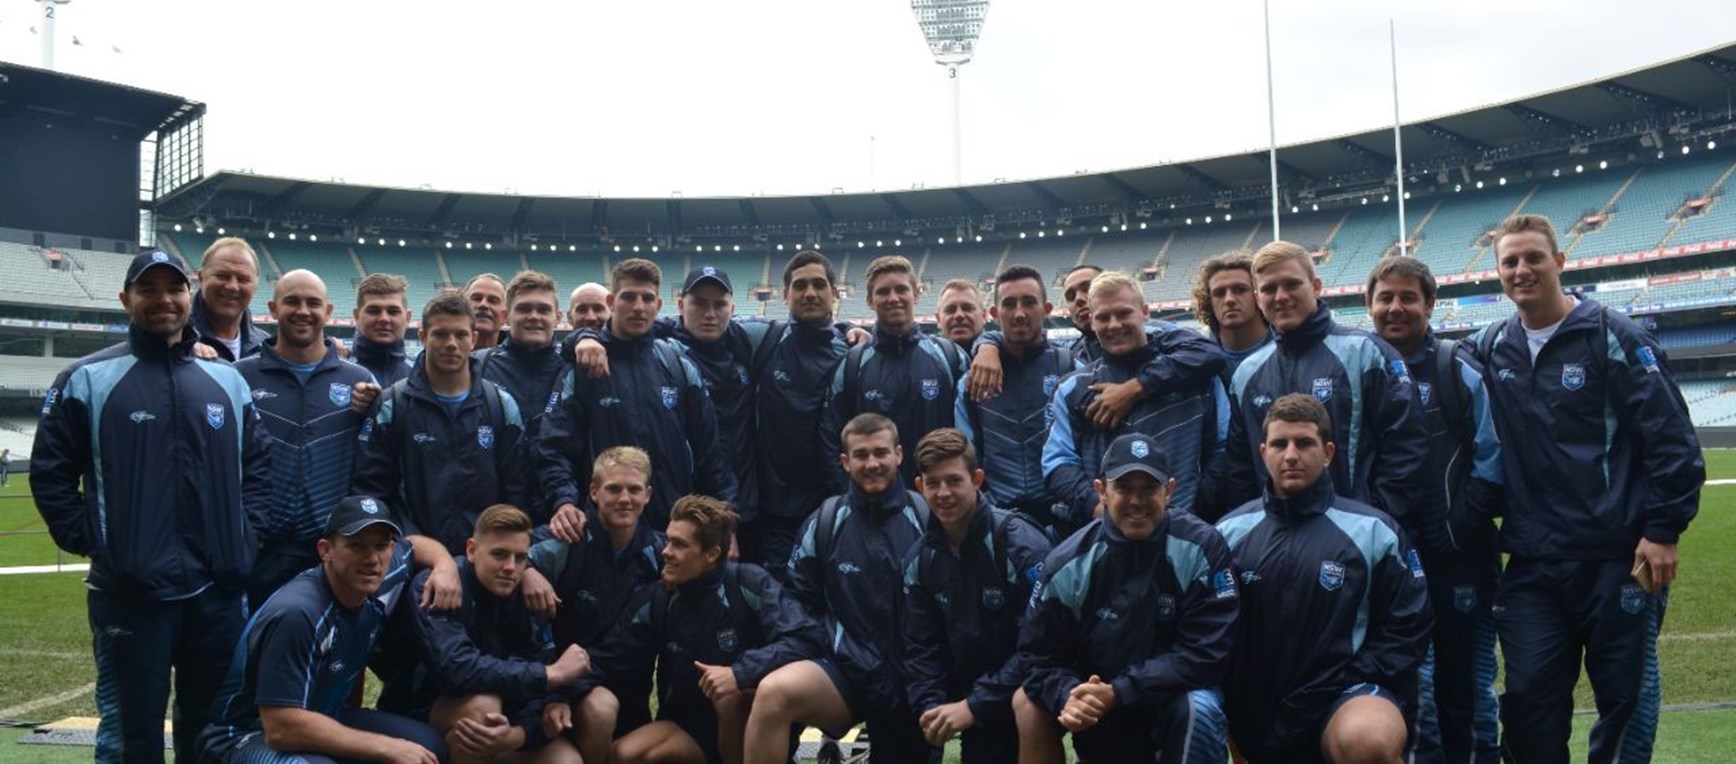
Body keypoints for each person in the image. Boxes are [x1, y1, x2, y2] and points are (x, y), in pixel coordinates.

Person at [1466, 214, 1704, 763]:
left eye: (1533, 258)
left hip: (1615, 556)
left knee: (1625, 701)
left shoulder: (1614, 334)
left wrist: (1663, 529)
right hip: (1532, 559)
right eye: (1510, 262)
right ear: (1498, 273)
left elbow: (1671, 440)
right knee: (1526, 700)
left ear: (1560, 262)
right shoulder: (1488, 345)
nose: (1522, 270)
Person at [32, 250, 271, 764]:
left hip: (218, 591)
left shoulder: (227, 380)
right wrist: (102, 542)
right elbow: (51, 476)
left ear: (191, 297)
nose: (163, 299)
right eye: (148, 289)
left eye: (174, 289)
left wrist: (244, 538)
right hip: (131, 594)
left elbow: (257, 468)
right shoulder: (87, 378)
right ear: (126, 299)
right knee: (130, 737)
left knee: (208, 734)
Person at [1216, 394, 1432, 764]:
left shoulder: (1374, 532)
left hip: (1343, 697)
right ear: (1263, 451)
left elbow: (1408, 626)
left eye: (1304, 443)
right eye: (1280, 444)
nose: (1291, 455)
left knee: (1369, 742)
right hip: (1255, 708)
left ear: (1328, 452)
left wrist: (1338, 681)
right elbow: (1207, 630)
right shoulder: (1227, 534)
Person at [1014, 432, 1236, 764]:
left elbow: (1208, 652)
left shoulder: (1203, 548)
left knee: (1199, 708)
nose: (1137, 501)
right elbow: (1036, 657)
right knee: (1028, 703)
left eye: (1149, 489)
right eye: (1124, 488)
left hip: (1170, 700)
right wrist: (1070, 695)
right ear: (1101, 491)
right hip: (1100, 708)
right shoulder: (1066, 564)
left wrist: (1120, 691)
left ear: (1170, 490)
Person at [1365, 256, 1503, 763]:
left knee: (1465, 687)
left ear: (1429, 304)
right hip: (1390, 563)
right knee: (1404, 687)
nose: (1396, 308)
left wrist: (1455, 526)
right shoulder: (1363, 369)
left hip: (1458, 557)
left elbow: (1493, 460)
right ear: (1370, 306)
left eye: (1408, 297)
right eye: (1386, 298)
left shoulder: (1456, 369)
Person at [197, 496, 450, 764]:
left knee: (429, 747)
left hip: (324, 715)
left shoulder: (377, 574)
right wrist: (386, 747)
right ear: (325, 550)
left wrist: (444, 565)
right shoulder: (298, 613)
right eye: (357, 546)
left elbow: (414, 545)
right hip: (247, 736)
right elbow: (280, 727)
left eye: (381, 545)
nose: (372, 559)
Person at [744, 414, 934, 764]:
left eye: (881, 452)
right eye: (861, 455)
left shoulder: (928, 517)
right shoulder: (825, 521)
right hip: (846, 672)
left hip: (914, 678)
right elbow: (797, 604)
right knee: (773, 692)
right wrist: (838, 646)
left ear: (899, 454)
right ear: (845, 462)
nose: (872, 463)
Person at [1208, 240, 1433, 534]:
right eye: (1269, 289)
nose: (1281, 296)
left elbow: (1407, 448)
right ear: (1258, 298)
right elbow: (1240, 471)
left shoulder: (1366, 354)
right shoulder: (1247, 374)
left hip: (1356, 539)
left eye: (1292, 284)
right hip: (1274, 545)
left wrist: (1372, 523)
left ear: (1315, 286)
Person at [584, 495, 824, 764]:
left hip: (750, 725)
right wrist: (555, 688)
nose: (665, 551)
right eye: (668, 539)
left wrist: (739, 672)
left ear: (712, 554)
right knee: (625, 754)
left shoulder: (748, 583)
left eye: (679, 544)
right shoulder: (659, 597)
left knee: (729, 697)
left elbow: (805, 637)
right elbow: (611, 656)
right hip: (689, 729)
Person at [536, 258, 736, 537]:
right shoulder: (582, 369)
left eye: (647, 298)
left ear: (658, 305)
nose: (639, 307)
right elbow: (554, 446)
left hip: (673, 529)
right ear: (611, 301)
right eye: (628, 297)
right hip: (605, 533)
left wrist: (721, 520)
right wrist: (564, 501)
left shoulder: (678, 364)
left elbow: (710, 452)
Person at [901, 429, 1051, 763]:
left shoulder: (1019, 544)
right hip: (970, 699)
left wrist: (975, 705)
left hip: (1029, 692)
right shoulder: (920, 560)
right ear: (919, 486)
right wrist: (931, 707)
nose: (943, 493)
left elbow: (1045, 645)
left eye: (954, 480)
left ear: (977, 479)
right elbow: (921, 649)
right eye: (933, 482)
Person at [402, 504, 593, 764]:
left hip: (513, 714)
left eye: (520, 558)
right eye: (499, 555)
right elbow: (458, 670)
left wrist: (520, 734)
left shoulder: (529, 592)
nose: (510, 567)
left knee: (566, 761)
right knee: (482, 710)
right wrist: (551, 675)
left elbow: (548, 679)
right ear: (471, 550)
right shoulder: (436, 585)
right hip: (431, 709)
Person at [234, 269, 379, 605]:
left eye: (313, 303)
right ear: (272, 308)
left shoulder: (360, 380)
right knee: (252, 651)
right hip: (258, 553)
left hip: (329, 554)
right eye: (292, 302)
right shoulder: (239, 376)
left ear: (328, 311)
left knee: (329, 653)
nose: (303, 311)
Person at [351, 290, 531, 557]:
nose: (451, 343)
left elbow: (517, 491)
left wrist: (499, 548)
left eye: (460, 335)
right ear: (423, 337)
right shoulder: (392, 405)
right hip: (412, 556)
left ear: (473, 339)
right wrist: (413, 546)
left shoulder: (501, 405)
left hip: (485, 559)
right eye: (440, 334)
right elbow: (373, 491)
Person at [1042, 271, 1225, 532]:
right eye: (1103, 317)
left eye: (1124, 313)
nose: (1114, 325)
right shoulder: (1072, 388)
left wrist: (1197, 505)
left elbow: (1223, 448)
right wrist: (1097, 508)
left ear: (1145, 313)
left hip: (1184, 530)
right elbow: (1058, 463)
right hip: (1106, 537)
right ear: (1092, 322)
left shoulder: (1197, 378)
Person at [522, 446, 666, 755]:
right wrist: (525, 569)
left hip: (626, 687)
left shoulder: (660, 554)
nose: (624, 499)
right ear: (594, 491)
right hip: (555, 687)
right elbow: (494, 552)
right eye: (613, 488)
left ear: (649, 494)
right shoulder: (566, 541)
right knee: (600, 708)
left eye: (634, 489)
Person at [820, 255, 966, 493]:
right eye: (883, 292)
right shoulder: (851, 365)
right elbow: (831, 439)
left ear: (916, 294)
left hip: (940, 501)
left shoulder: (949, 357)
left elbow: (972, 431)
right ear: (869, 300)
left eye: (901, 289)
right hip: (873, 504)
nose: (893, 298)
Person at [952, 266, 1076, 531]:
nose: (1019, 313)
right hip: (998, 523)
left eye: (1029, 302)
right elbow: (966, 457)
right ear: (995, 314)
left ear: (1047, 308)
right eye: (1009, 304)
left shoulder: (1071, 370)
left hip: (1065, 522)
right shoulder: (970, 384)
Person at [751, 251, 854, 569]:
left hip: (833, 507)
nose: (810, 293)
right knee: (783, 600)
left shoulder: (853, 353)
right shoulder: (764, 340)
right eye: (800, 286)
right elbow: (696, 322)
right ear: (785, 295)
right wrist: (592, 334)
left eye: (819, 284)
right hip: (774, 512)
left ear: (834, 292)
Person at [476, 270, 570, 435]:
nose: (534, 316)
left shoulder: (572, 366)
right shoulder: (479, 365)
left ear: (557, 317)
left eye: (543, 310)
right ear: (506, 316)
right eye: (524, 309)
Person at [1191, 251, 1273, 379]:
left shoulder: (1289, 351)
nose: (1229, 299)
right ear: (1208, 301)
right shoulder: (1198, 360)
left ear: (1258, 295)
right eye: (1219, 293)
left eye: (1240, 290)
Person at [190, 237, 268, 361]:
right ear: (201, 278)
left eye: (243, 279)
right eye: (222, 276)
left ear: (255, 287)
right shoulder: (176, 342)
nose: (232, 286)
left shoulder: (267, 349)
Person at [350, 273, 417, 389]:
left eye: (393, 311)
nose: (384, 319)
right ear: (357, 316)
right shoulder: (336, 373)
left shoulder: (425, 373)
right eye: (373, 311)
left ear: (408, 317)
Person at [934, 278, 987, 350]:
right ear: (938, 319)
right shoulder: (926, 355)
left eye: (967, 308)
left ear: (983, 316)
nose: (959, 315)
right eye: (950, 310)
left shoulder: (1003, 353)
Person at [467, 273, 509, 350]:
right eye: (476, 298)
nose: (483, 305)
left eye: (493, 301)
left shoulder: (521, 359)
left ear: (505, 316)